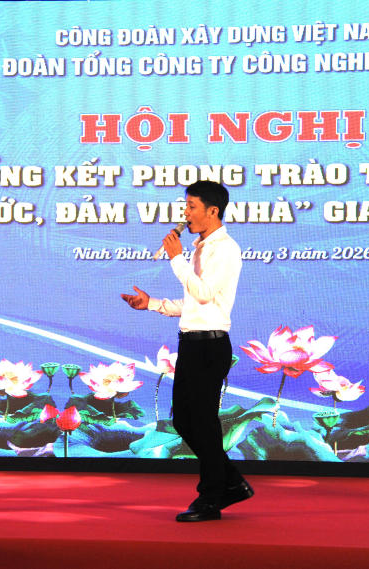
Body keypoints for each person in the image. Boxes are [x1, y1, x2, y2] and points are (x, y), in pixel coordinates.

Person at [121, 180, 253, 522]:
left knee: (203, 421)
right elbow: (194, 303)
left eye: (191, 206)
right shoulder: (199, 248)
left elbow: (205, 294)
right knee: (183, 418)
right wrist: (152, 303)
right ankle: (232, 483)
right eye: (186, 206)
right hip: (192, 343)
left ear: (213, 210)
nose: (185, 213)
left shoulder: (225, 249)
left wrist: (176, 258)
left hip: (210, 345)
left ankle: (211, 497)